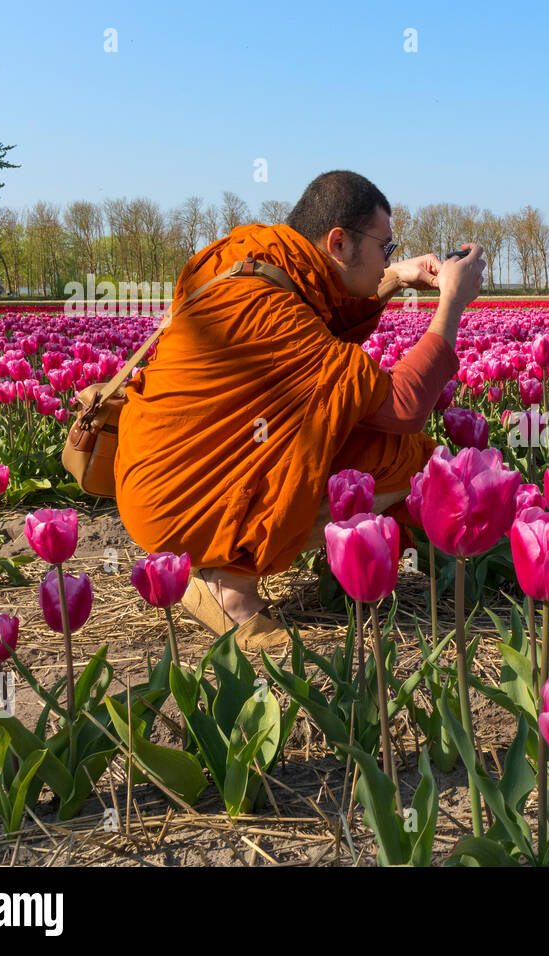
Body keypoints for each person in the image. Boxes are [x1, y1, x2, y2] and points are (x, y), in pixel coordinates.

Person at [113, 170, 485, 651]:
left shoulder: (248, 259)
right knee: (401, 455)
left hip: (158, 472)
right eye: (385, 248)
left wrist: (395, 278)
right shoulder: (268, 314)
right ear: (338, 243)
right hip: (182, 505)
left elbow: (323, 315)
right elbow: (404, 405)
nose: (387, 260)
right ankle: (223, 582)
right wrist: (451, 305)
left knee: (344, 433)